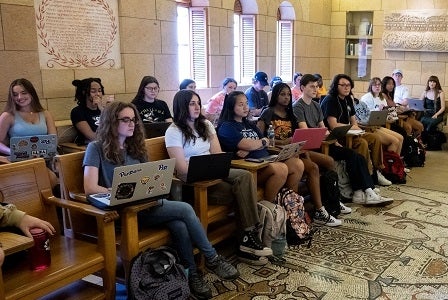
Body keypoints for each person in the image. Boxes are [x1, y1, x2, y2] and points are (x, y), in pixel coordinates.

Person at [83, 101, 239, 299]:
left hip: (146, 205)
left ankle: (191, 274)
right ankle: (212, 258)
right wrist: (117, 192)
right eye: (125, 120)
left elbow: (148, 176)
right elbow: (90, 188)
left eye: (133, 120)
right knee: (185, 210)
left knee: (179, 225)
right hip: (124, 212)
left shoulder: (135, 146)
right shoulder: (95, 148)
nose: (132, 124)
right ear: (111, 122)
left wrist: (156, 185)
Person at [164, 89, 273, 263]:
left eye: (198, 103)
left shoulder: (205, 125)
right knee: (240, 192)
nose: (197, 107)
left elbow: (218, 153)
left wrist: (211, 163)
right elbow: (182, 168)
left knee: (245, 177)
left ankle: (248, 235)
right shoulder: (174, 131)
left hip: (214, 170)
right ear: (181, 106)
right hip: (195, 183)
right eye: (192, 104)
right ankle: (246, 241)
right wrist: (206, 164)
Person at [294, 74, 391, 205]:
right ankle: (362, 190)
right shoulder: (298, 106)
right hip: (313, 146)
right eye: (312, 86)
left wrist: (333, 140)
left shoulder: (316, 105)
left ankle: (366, 189)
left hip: (325, 142)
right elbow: (306, 132)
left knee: (357, 156)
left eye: (316, 86)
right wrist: (327, 136)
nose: (315, 89)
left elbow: (323, 128)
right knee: (352, 154)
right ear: (302, 88)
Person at [257, 83, 344, 226]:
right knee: (303, 167)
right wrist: (285, 142)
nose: (286, 97)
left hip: (294, 151)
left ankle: (324, 205)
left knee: (321, 164)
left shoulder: (290, 114)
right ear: (275, 96)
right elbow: (261, 139)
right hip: (276, 153)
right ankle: (295, 210)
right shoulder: (267, 113)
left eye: (288, 95)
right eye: (282, 94)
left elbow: (298, 137)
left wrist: (300, 148)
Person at [216, 91, 304, 204]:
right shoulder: (227, 127)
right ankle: (269, 209)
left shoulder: (249, 124)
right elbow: (248, 144)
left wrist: (253, 146)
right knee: (280, 169)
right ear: (231, 107)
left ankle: (291, 205)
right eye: (240, 104)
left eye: (246, 103)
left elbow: (266, 141)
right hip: (250, 169)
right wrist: (256, 144)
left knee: (297, 164)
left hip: (265, 161)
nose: (245, 107)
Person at [320, 74, 392, 186]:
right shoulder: (330, 100)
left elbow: (353, 121)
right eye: (343, 85)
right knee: (362, 143)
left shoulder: (348, 99)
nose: (346, 87)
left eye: (348, 85)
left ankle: (377, 172)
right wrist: (353, 128)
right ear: (335, 86)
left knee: (374, 138)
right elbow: (333, 125)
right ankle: (367, 177)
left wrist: (359, 131)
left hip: (350, 132)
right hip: (337, 137)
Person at [0, 79, 59, 186]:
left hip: (45, 157)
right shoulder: (8, 115)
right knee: (50, 178)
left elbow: (53, 139)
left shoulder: (45, 113)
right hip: (22, 160)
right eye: (15, 94)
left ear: (31, 93)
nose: (19, 97)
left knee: (64, 171)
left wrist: (52, 154)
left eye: (23, 93)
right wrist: (12, 151)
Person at [358, 77, 404, 155]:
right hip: (369, 127)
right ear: (370, 86)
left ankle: (397, 164)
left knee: (400, 138)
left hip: (379, 125)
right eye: (375, 85)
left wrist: (392, 115)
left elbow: (386, 112)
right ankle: (389, 165)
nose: (377, 86)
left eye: (379, 84)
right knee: (395, 141)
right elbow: (364, 116)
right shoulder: (366, 97)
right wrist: (378, 109)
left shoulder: (381, 98)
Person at [70, 78, 107, 145]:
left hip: (107, 143)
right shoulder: (77, 112)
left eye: (100, 91)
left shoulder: (103, 110)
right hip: (90, 145)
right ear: (84, 92)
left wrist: (101, 108)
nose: (97, 94)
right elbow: (92, 137)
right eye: (93, 91)